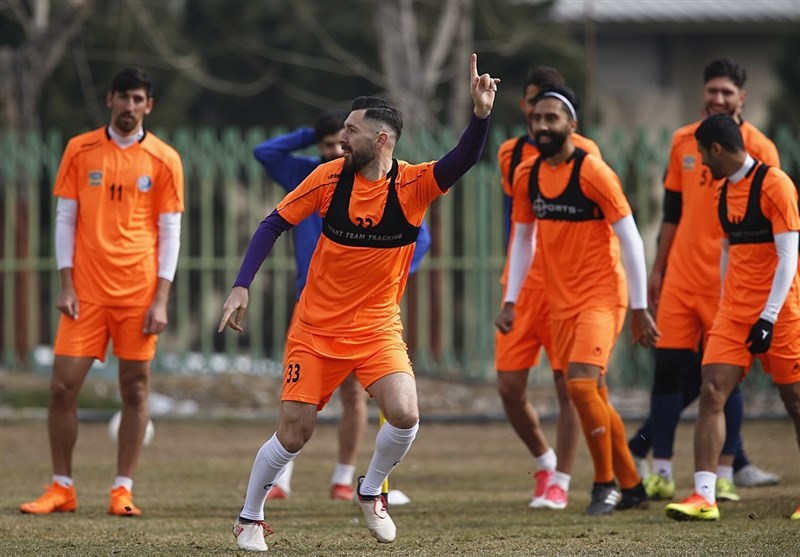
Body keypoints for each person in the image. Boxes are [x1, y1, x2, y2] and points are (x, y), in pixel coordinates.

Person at [219, 53, 498, 551]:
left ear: (381, 140)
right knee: (295, 433)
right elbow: (273, 223)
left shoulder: (413, 185)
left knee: (405, 414)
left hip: (377, 329)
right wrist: (241, 285)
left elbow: (464, 159)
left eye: (351, 130)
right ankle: (249, 518)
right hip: (315, 329)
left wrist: (479, 115)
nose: (341, 138)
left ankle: (371, 491)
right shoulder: (328, 178)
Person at [19, 68, 184, 517]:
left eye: (138, 99)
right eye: (123, 97)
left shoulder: (165, 159)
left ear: (148, 105)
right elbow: (64, 219)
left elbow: (170, 232)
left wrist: (161, 299)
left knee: (135, 391)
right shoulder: (80, 149)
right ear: (110, 99)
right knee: (61, 388)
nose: (130, 106)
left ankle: (122, 490)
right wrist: (66, 284)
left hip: (138, 292)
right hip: (86, 293)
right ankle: (62, 487)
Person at [252, 111, 431, 501]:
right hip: (312, 306)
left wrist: (390, 276)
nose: (339, 147)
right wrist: (312, 132)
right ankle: (280, 480)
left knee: (356, 396)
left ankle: (344, 479)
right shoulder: (312, 174)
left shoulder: (395, 184)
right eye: (331, 142)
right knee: (298, 399)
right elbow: (264, 153)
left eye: (346, 137)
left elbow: (421, 237)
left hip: (367, 313)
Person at [497, 85, 657, 516]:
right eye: (537, 118)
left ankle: (605, 484)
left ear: (572, 124)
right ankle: (632, 484)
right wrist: (511, 300)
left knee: (581, 385)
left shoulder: (594, 173)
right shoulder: (527, 174)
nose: (542, 126)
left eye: (552, 118)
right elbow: (524, 239)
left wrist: (640, 309)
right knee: (595, 394)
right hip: (560, 301)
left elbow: (631, 239)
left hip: (603, 295)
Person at [629, 59, 781, 502]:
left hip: (729, 284)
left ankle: (727, 472)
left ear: (742, 98)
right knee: (667, 373)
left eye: (726, 92)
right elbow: (671, 213)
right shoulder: (683, 141)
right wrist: (658, 270)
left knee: (723, 378)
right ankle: (660, 470)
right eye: (712, 90)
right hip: (680, 278)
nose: (717, 98)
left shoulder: (761, 148)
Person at [665, 113, 800, 521]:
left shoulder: (775, 185)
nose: (703, 164)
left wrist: (768, 317)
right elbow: (728, 251)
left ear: (717, 149)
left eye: (704, 156)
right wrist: (725, 304)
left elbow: (788, 257)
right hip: (734, 314)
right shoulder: (723, 192)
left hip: (781, 312)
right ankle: (704, 495)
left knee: (794, 400)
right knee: (711, 390)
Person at [494, 67, 600, 510]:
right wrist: (511, 294)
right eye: (533, 104)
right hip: (522, 286)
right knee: (508, 386)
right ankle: (544, 459)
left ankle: (561, 480)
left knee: (567, 384)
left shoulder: (586, 154)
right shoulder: (510, 154)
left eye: (549, 108)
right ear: (525, 105)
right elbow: (522, 222)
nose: (539, 117)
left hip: (566, 286)